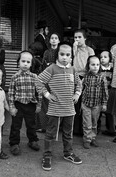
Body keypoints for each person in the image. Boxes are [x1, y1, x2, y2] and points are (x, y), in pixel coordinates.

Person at [37, 42, 82, 171]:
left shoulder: (73, 70)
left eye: (68, 55)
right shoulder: (51, 68)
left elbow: (79, 84)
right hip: (54, 108)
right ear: (57, 55)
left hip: (69, 109)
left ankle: (68, 153)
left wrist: (77, 94)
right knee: (50, 133)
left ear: (71, 57)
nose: (64, 57)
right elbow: (38, 81)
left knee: (68, 133)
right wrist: (46, 94)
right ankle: (47, 156)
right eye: (62, 54)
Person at [8, 51, 42, 156]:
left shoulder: (34, 77)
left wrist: (39, 104)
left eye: (28, 62)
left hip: (30, 104)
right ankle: (14, 143)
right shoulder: (14, 77)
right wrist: (12, 107)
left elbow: (39, 91)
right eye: (23, 61)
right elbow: (11, 93)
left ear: (31, 64)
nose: (25, 64)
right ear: (19, 63)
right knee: (15, 125)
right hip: (18, 105)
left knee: (31, 125)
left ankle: (32, 141)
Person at [36, 32, 61, 133]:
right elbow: (43, 65)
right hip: (47, 79)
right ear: (49, 40)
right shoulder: (46, 52)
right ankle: (43, 126)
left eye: (56, 38)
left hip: (57, 80)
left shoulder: (60, 52)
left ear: (59, 40)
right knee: (44, 103)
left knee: (55, 103)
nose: (54, 40)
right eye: (52, 38)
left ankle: (54, 127)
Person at [81, 56, 108, 149]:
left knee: (94, 122)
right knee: (87, 123)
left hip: (96, 105)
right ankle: (87, 139)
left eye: (97, 64)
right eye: (93, 64)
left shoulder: (102, 78)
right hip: (86, 104)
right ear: (88, 66)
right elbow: (80, 88)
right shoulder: (86, 77)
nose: (95, 66)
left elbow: (105, 91)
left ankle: (93, 138)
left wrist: (104, 103)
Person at [72, 29, 95, 135]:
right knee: (74, 103)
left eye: (79, 37)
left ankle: (84, 129)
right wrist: (74, 48)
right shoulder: (74, 48)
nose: (77, 39)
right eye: (75, 37)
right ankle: (73, 128)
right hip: (74, 77)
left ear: (85, 38)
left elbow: (92, 64)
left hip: (85, 78)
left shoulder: (90, 50)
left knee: (84, 104)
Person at [98, 51, 116, 137]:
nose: (102, 59)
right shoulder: (98, 69)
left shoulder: (113, 69)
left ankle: (111, 130)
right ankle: (97, 128)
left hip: (109, 92)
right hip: (99, 93)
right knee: (98, 111)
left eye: (105, 57)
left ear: (110, 59)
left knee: (109, 111)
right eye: (101, 57)